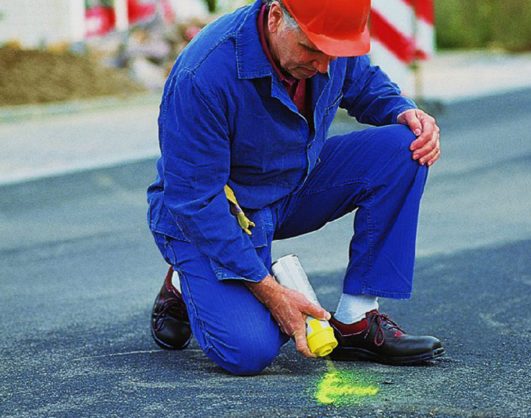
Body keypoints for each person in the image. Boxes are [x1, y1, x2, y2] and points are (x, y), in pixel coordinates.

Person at [147, 0, 442, 375]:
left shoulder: (329, 46)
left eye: (333, 54)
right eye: (311, 50)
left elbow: (364, 83)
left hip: (289, 185)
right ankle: (183, 278)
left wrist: (404, 111)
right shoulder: (202, 75)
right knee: (249, 351)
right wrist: (270, 290)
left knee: (405, 147)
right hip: (217, 213)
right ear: (275, 18)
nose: (323, 66)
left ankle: (356, 320)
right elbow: (195, 200)